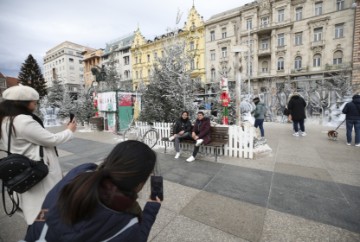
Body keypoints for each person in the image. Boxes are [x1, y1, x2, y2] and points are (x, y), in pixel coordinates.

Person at [24, 140, 161, 242]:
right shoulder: (127, 223)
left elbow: (46, 209)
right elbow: (138, 238)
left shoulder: (79, 173)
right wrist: (152, 207)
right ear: (139, 184)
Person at [0, 85, 76, 225]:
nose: (35, 105)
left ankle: (38, 229)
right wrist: (70, 131)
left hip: (25, 169)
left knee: (35, 205)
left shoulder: (6, 119)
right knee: (45, 205)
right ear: (23, 103)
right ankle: (41, 232)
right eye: (34, 102)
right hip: (38, 170)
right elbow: (50, 140)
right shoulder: (23, 121)